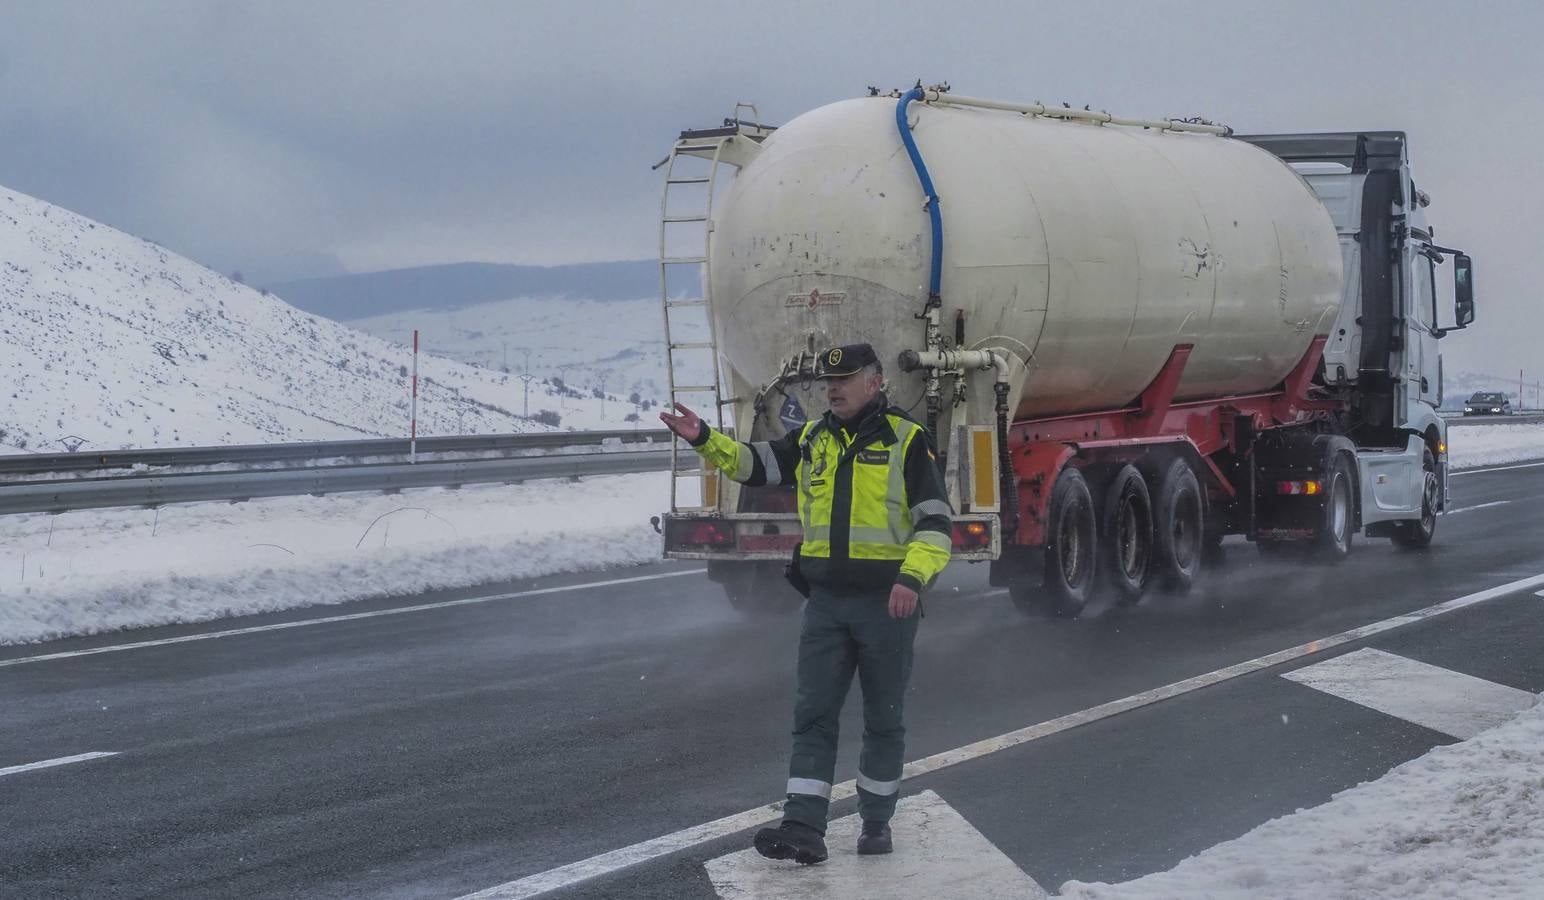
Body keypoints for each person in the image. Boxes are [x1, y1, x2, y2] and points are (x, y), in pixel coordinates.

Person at [660, 342, 953, 864]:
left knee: (883, 720)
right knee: (813, 716)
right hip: (825, 605)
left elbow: (935, 522)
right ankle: (803, 826)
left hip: (886, 605)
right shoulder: (814, 438)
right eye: (827, 382)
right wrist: (705, 439)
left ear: (876, 381)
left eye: (845, 379)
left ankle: (876, 822)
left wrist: (912, 577)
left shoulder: (908, 441)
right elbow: (755, 465)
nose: (833, 389)